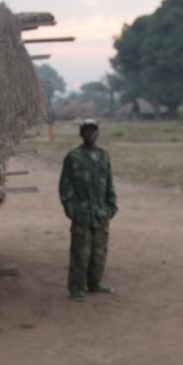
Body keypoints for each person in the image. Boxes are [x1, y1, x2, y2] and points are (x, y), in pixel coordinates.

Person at [58, 118, 118, 300]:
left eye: (93, 131)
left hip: (100, 214)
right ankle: (77, 288)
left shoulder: (104, 156)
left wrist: (111, 207)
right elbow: (65, 186)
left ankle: (95, 283)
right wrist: (72, 210)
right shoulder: (73, 157)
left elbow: (109, 184)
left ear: (98, 133)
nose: (90, 134)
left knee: (99, 252)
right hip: (82, 213)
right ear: (81, 134)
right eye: (86, 131)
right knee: (80, 253)